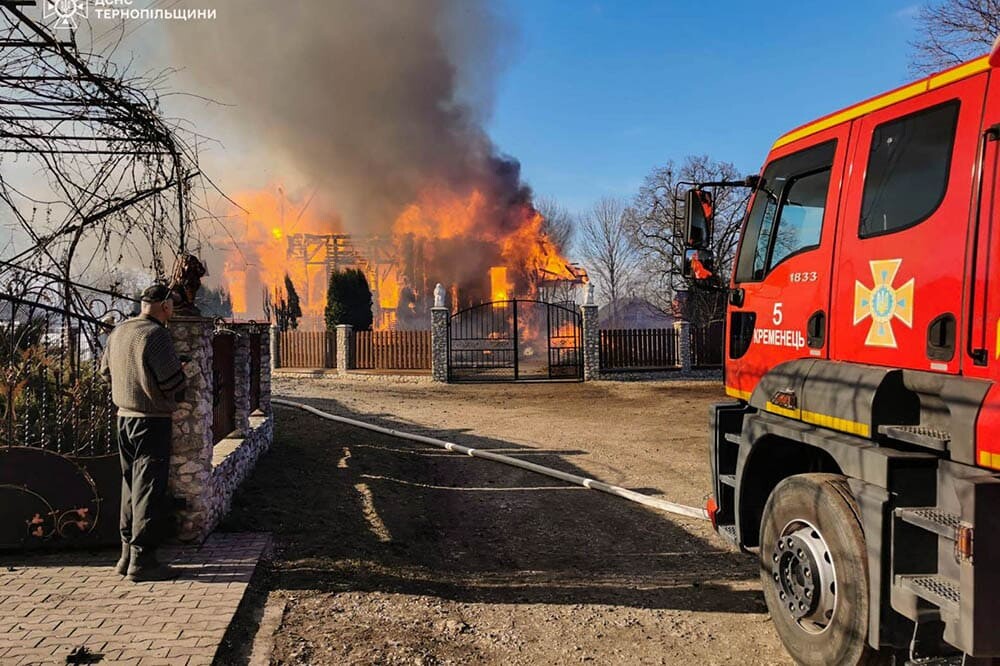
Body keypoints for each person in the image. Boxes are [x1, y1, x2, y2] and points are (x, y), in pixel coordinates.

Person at [100, 284, 187, 582]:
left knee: (129, 485)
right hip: (151, 420)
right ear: (164, 305)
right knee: (149, 487)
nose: (173, 310)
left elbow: (104, 372)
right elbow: (173, 383)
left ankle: (125, 555)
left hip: (123, 418)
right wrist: (178, 380)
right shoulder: (157, 335)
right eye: (171, 305)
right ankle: (143, 560)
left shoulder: (120, 331)